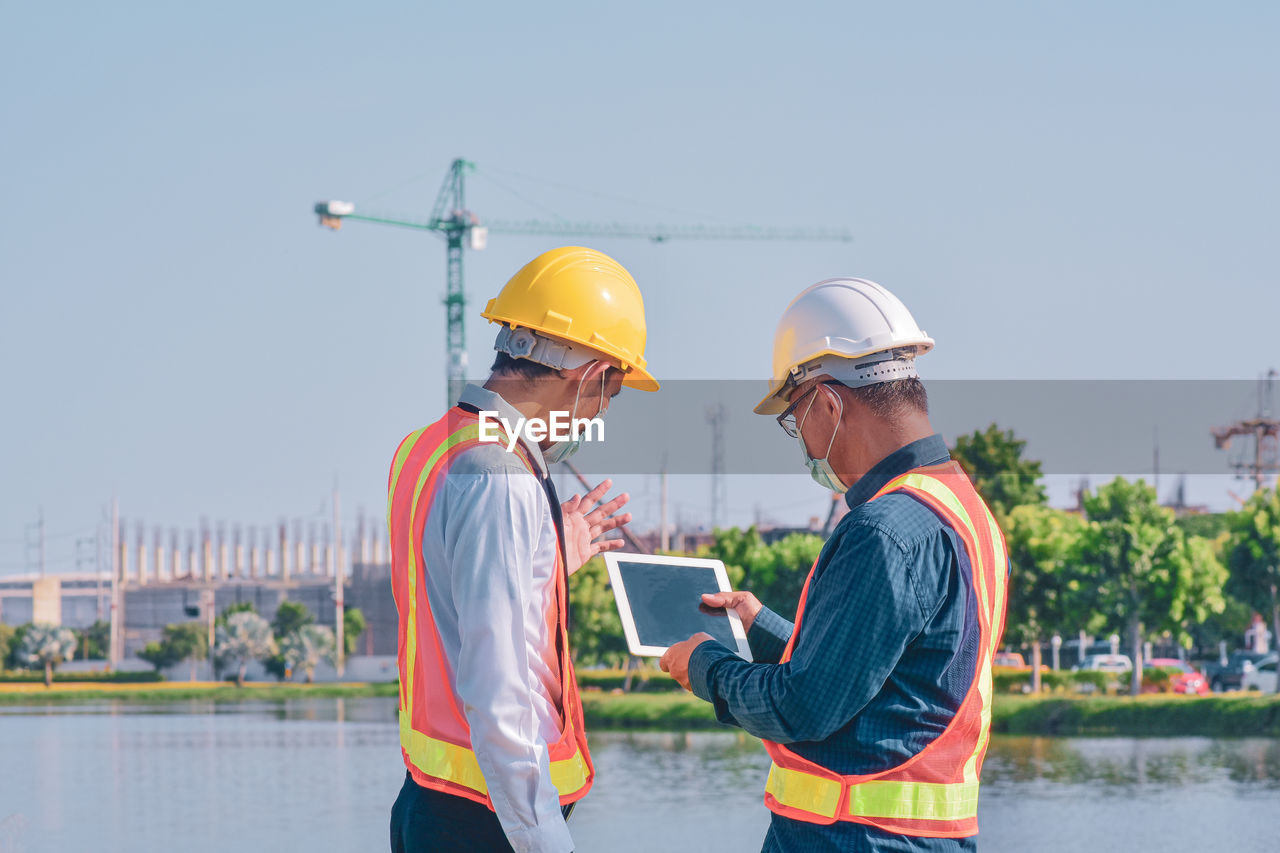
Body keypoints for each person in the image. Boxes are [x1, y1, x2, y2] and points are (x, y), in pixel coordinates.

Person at [660, 278, 1008, 852]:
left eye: (795, 419)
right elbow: (880, 673)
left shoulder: (882, 530)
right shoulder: (963, 510)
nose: (802, 442)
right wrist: (760, 627)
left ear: (827, 402)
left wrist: (707, 667)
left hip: (851, 839)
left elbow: (804, 708)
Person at [388, 246, 658, 853]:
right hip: (487, 821)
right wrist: (545, 841)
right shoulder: (499, 474)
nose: (600, 413)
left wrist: (546, 557)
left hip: (435, 799)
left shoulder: (429, 448)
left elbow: (449, 601)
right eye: (611, 391)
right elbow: (499, 687)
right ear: (591, 376)